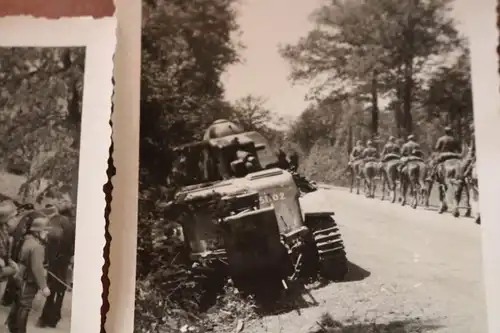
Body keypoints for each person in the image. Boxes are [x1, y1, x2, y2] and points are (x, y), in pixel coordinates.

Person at [7, 211, 51, 333]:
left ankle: (12, 326)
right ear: (38, 231)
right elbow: (37, 268)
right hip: (28, 280)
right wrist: (44, 287)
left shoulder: (27, 240)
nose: (47, 233)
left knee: (18, 303)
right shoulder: (38, 247)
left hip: (19, 276)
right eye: (45, 231)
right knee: (25, 306)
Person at [0, 201, 19, 280]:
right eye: (13, 217)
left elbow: (5, 256)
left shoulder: (6, 235)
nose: (16, 219)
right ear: (6, 219)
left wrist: (10, 262)